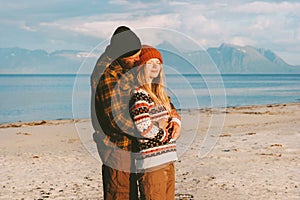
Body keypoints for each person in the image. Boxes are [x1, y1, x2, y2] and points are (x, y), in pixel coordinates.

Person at [90, 26, 142, 200]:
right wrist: (148, 131)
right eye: (133, 57)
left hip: (129, 144)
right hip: (116, 147)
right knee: (120, 193)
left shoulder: (122, 64)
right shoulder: (106, 73)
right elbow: (115, 118)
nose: (137, 60)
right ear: (121, 55)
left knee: (131, 193)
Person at [129, 45, 181, 200]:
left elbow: (173, 113)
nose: (155, 66)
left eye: (158, 63)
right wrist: (166, 136)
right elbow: (144, 127)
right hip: (152, 164)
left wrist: (176, 123)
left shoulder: (159, 94)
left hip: (168, 159)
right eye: (150, 62)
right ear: (140, 67)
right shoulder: (140, 95)